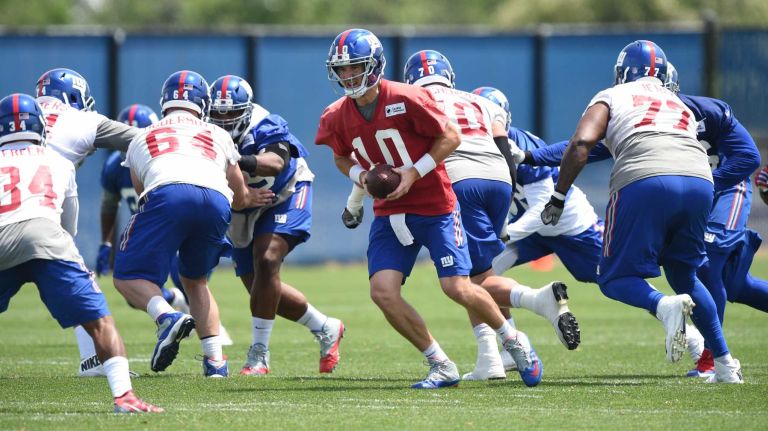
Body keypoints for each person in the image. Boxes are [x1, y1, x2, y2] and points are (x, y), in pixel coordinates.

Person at [316, 28, 542, 388]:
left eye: (355, 67)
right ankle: (440, 363)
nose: (347, 76)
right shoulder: (336, 114)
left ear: (374, 66)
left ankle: (514, 340)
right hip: (390, 213)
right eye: (341, 69)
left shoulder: (407, 97)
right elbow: (341, 156)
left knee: (457, 287)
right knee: (382, 292)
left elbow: (450, 136)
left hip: (435, 203)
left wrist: (412, 172)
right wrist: (361, 176)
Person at [521, 61, 765, 378]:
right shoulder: (679, 104)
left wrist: (556, 193)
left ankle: (665, 307)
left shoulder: (613, 96)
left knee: (612, 278)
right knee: (689, 274)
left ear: (622, 75)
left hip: (654, 181)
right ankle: (724, 364)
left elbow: (582, 145)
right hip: (700, 184)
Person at [398, 51, 578, 382]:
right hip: (497, 179)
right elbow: (502, 142)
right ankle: (493, 357)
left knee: (468, 281)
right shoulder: (476, 99)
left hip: (459, 180)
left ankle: (539, 302)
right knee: (479, 271)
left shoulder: (413, 99)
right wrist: (507, 188)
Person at [0, 93, 161, 413]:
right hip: (47, 238)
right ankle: (125, 398)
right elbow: (69, 223)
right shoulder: (58, 161)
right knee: (100, 321)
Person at [112, 70, 272, 377]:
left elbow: (140, 189)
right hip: (215, 201)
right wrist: (250, 199)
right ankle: (215, 362)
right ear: (203, 103)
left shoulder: (143, 135)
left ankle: (166, 317)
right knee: (195, 280)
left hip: (166, 194)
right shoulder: (218, 133)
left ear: (164, 101)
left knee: (127, 276)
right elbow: (237, 193)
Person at [208, 74, 344, 375]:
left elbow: (276, 163)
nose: (224, 120)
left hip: (284, 191)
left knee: (268, 260)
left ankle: (259, 354)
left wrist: (235, 160)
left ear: (246, 110)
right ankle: (326, 326)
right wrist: (241, 196)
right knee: (258, 287)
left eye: (231, 113)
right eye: (217, 113)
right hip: (243, 203)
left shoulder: (265, 123)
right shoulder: (204, 132)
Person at [34, 68, 145, 378]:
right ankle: (96, 361)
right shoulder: (81, 119)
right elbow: (138, 138)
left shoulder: (18, 111)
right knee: (78, 277)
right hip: (40, 202)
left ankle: (92, 359)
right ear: (72, 96)